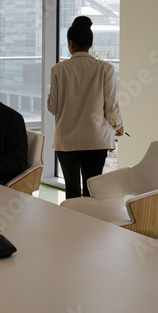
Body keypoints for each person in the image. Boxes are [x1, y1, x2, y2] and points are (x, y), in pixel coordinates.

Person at [47, 16, 124, 199]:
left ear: (70, 43)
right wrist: (118, 125)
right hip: (95, 140)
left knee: (72, 191)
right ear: (91, 44)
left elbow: (53, 109)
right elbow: (111, 106)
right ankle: (92, 225)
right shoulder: (105, 68)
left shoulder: (58, 70)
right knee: (93, 192)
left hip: (66, 141)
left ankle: (72, 226)